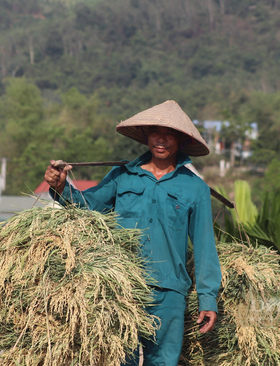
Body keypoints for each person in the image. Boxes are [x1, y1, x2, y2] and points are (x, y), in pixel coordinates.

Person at [44, 100, 221, 366]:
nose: (161, 140)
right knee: (118, 360)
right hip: (121, 287)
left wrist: (208, 299)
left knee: (162, 362)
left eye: (169, 134)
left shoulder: (195, 188)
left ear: (182, 140)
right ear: (146, 136)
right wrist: (61, 188)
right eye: (155, 132)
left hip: (168, 292)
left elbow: (205, 245)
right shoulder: (123, 175)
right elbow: (90, 206)